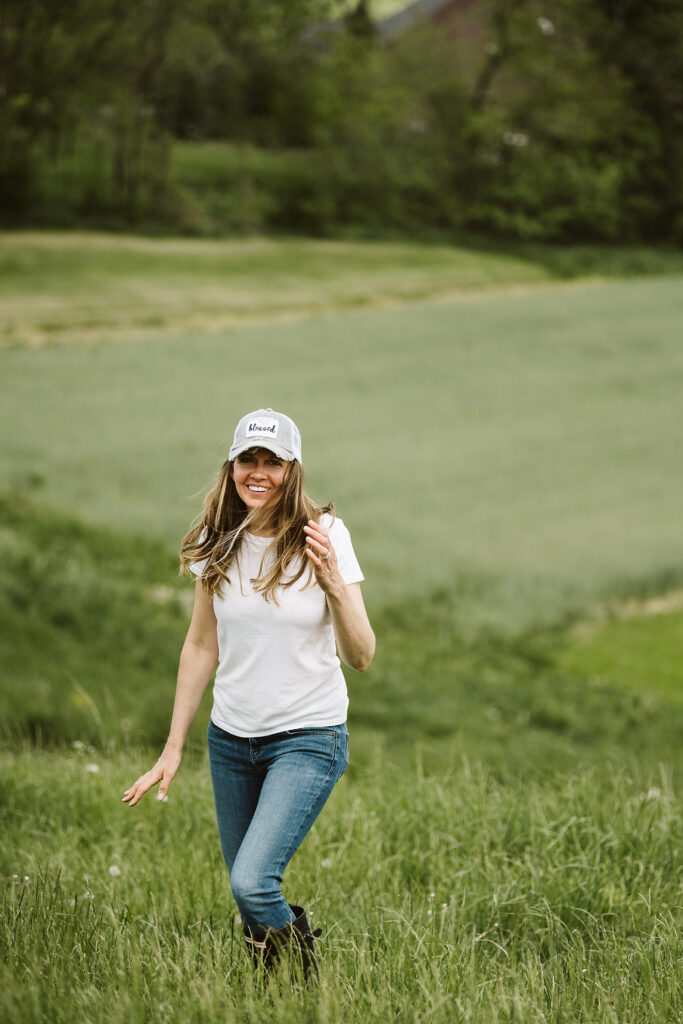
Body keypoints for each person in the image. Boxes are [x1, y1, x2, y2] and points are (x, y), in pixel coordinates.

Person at [122, 408, 375, 981]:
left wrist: (334, 583)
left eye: (273, 462)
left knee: (252, 882)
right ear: (231, 465)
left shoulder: (327, 537)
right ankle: (272, 994)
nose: (258, 473)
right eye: (248, 460)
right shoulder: (217, 541)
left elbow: (361, 656)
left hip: (308, 738)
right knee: (249, 905)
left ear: (294, 469)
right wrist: (173, 748)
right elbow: (199, 646)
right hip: (232, 741)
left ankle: (310, 979)